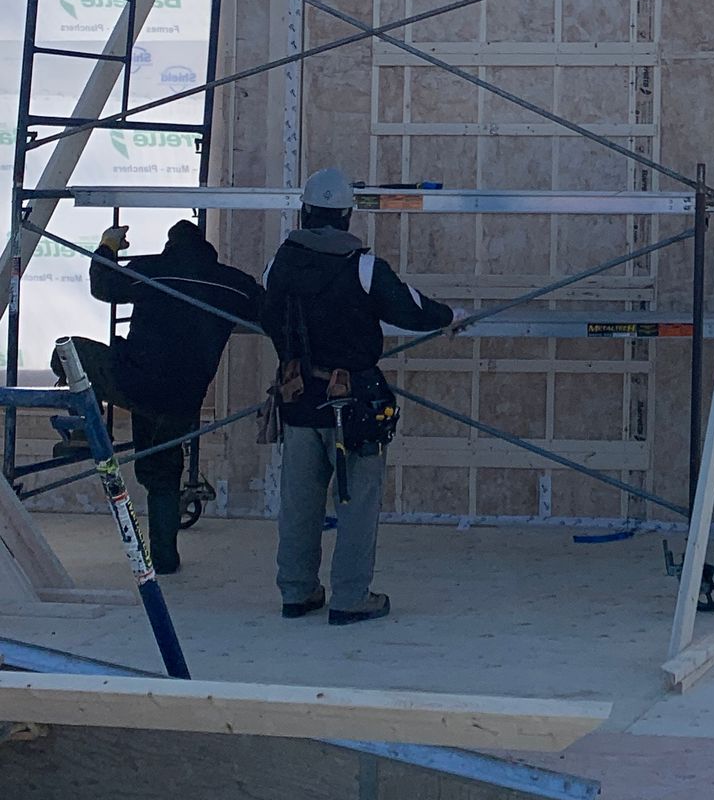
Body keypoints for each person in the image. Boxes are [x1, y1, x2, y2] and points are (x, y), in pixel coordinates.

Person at [261, 166, 456, 624]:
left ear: (305, 212)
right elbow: (415, 310)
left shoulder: (279, 265)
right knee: (355, 504)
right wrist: (449, 316)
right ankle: (350, 598)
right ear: (347, 215)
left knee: (299, 502)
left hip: (298, 399)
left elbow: (268, 316)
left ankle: (297, 591)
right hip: (353, 406)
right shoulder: (364, 267)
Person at [53, 219, 263, 575]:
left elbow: (103, 286)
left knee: (66, 351)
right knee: (164, 475)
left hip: (135, 383)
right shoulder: (233, 283)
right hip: (183, 398)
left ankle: (80, 430)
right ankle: (165, 560)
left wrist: (107, 246)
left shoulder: (153, 270)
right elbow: (270, 312)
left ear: (170, 246)